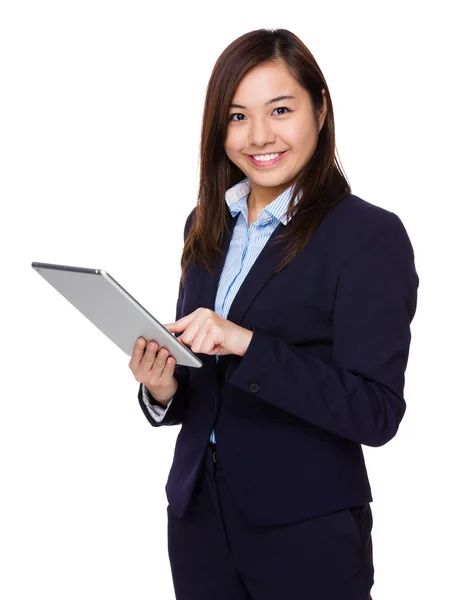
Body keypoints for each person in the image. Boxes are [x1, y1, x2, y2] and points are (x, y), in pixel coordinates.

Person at [128, 28, 419, 600]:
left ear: (320, 109)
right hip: (197, 521)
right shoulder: (205, 225)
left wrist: (247, 343)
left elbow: (376, 413)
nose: (259, 136)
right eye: (237, 116)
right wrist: (162, 390)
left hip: (305, 531)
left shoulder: (367, 236)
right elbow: (202, 389)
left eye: (280, 110)